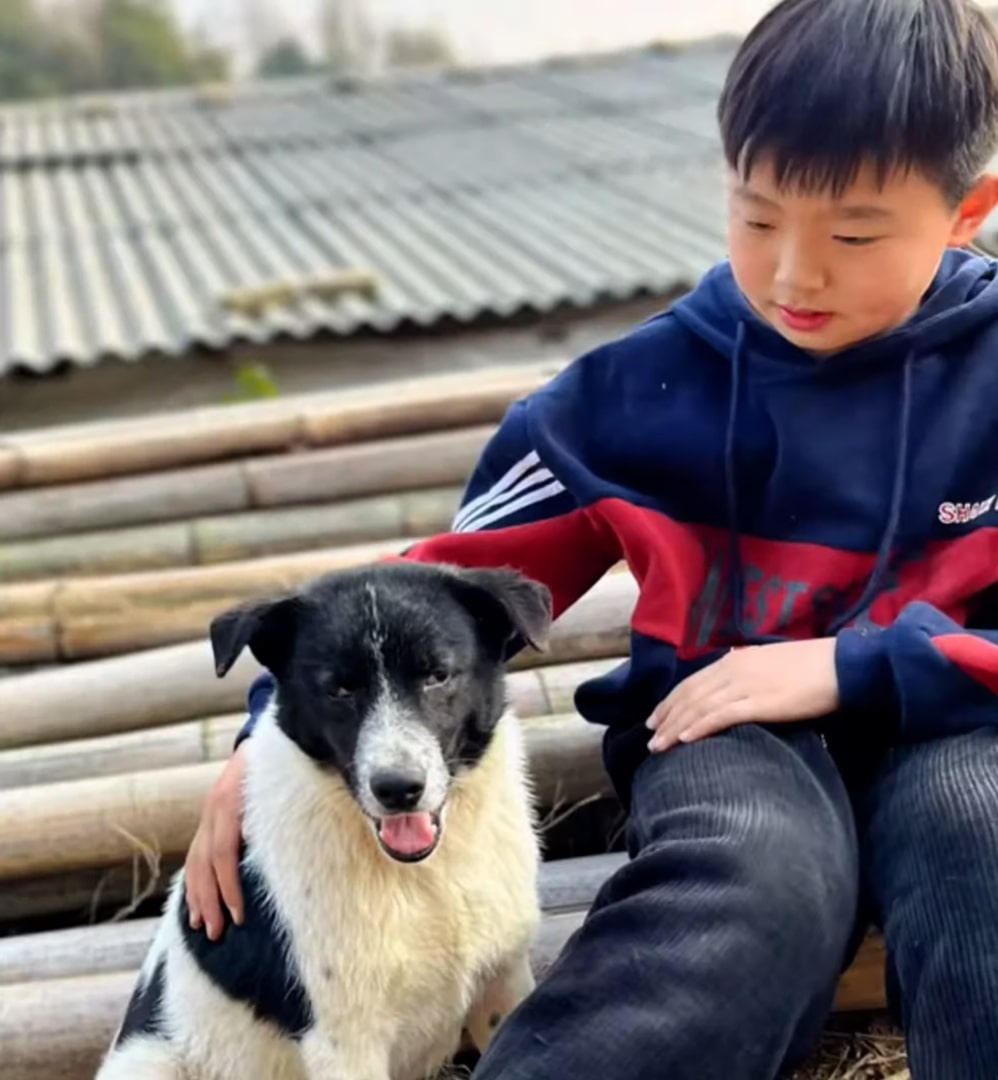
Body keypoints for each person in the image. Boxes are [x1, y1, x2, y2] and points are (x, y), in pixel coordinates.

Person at [184, 1, 998, 1076]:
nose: (794, 273)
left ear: (964, 210)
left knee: (976, 830)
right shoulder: (627, 396)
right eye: (755, 219)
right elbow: (428, 589)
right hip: (725, 730)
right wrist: (262, 737)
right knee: (753, 880)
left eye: (850, 234)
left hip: (963, 713)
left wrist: (852, 665)